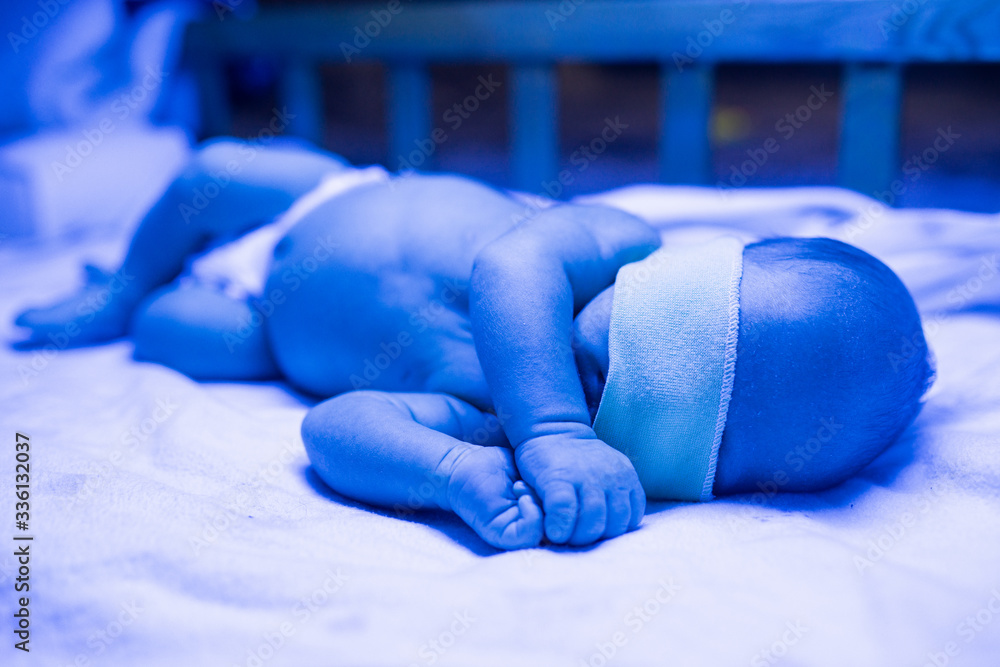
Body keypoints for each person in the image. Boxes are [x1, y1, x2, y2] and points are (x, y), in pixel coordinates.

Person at [14, 139, 934, 550]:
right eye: (616, 351)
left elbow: (337, 426)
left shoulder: (497, 426)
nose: (584, 384)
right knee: (220, 169)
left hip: (267, 328)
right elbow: (508, 267)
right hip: (328, 198)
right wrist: (556, 427)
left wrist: (450, 471)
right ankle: (120, 280)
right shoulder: (605, 243)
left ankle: (144, 302)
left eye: (609, 396)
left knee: (175, 336)